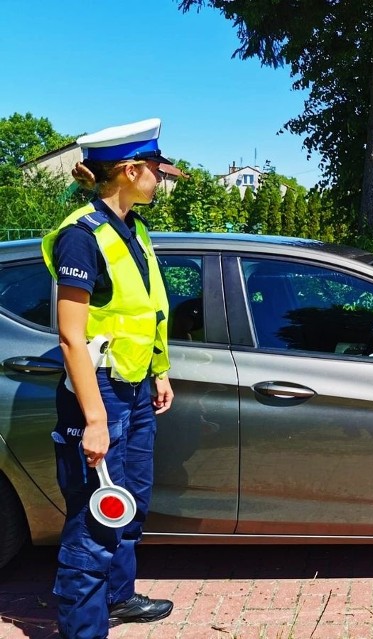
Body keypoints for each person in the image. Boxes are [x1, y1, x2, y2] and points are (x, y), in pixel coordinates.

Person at [40, 118, 175, 639]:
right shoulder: (81, 237)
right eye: (156, 171)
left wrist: (159, 371)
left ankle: (118, 599)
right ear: (130, 170)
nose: (160, 180)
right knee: (95, 521)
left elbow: (146, 310)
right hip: (100, 397)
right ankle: (83, 630)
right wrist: (95, 419)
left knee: (130, 502)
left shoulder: (133, 229)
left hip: (136, 388)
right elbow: (72, 337)